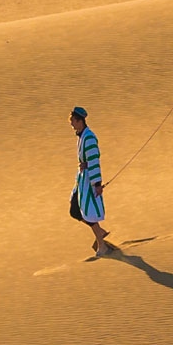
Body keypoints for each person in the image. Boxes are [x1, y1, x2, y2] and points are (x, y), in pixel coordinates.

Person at [68, 106, 112, 256]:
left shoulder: (89, 138)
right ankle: (100, 232)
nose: (71, 124)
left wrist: (97, 184)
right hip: (82, 179)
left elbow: (94, 161)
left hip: (89, 179)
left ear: (80, 121)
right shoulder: (82, 136)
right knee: (75, 210)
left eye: (73, 120)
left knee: (84, 211)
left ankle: (102, 244)